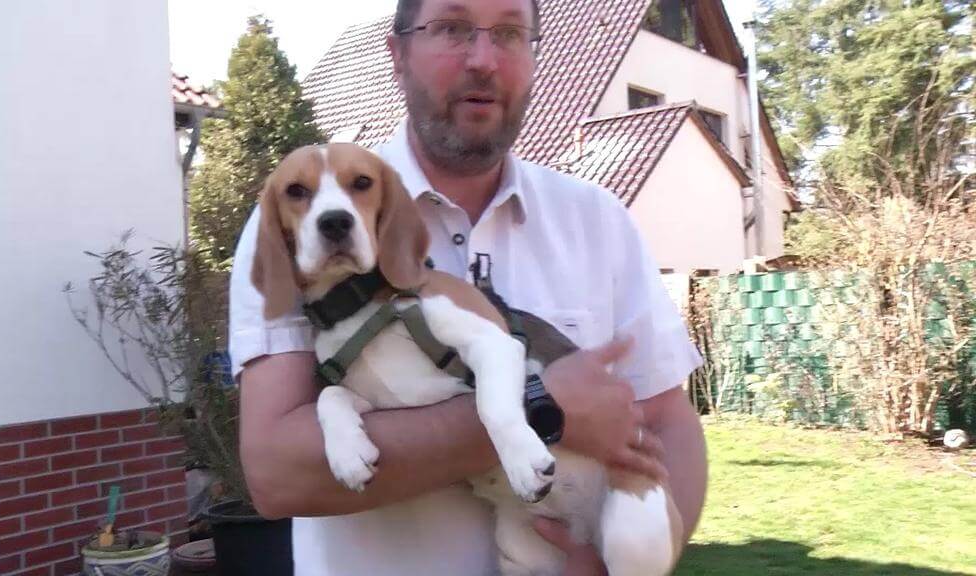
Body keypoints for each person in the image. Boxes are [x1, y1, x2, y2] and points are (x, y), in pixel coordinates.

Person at [229, 0, 707, 574]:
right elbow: (277, 475)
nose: (483, 59)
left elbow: (669, 424)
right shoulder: (299, 220)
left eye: (509, 32)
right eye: (452, 28)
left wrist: (636, 557)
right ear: (398, 53)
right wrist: (543, 411)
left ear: (533, 55)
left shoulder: (598, 221)